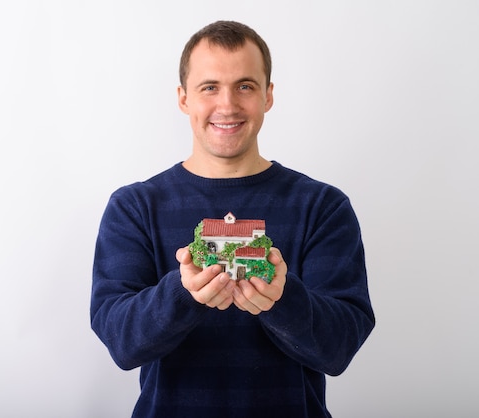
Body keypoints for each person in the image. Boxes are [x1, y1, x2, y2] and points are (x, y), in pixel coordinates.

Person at [90, 20, 375, 418]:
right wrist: (182, 293)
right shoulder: (135, 207)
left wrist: (282, 299)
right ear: (184, 98)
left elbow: (341, 347)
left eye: (245, 86)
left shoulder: (322, 206)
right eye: (209, 87)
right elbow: (121, 343)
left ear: (268, 96)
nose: (227, 105)